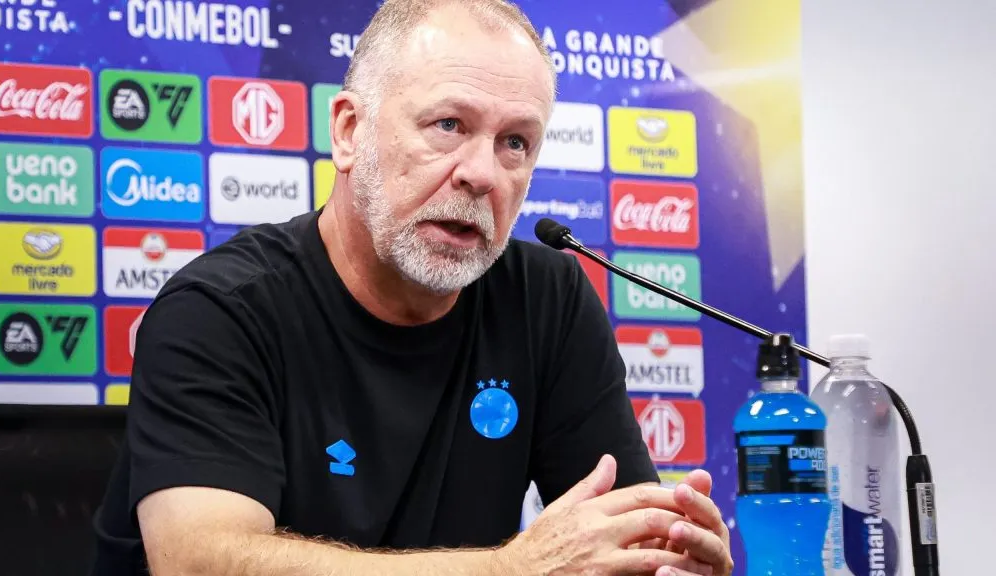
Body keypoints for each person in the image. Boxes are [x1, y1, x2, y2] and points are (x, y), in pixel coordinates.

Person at [91, 1, 734, 574]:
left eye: (515, 142)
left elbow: (616, 548)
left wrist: (663, 559)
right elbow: (199, 564)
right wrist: (510, 572)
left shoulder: (549, 300)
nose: (482, 173)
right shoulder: (219, 311)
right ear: (348, 132)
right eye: (449, 125)